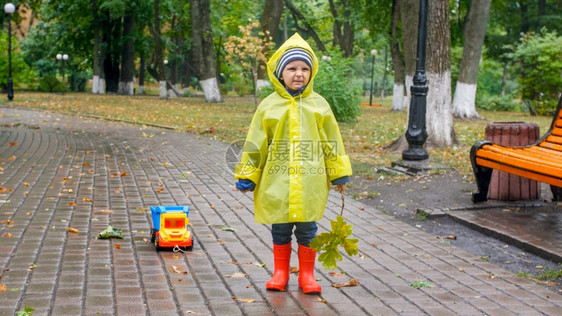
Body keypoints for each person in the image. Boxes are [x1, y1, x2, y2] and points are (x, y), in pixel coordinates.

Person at [234, 33, 352, 294]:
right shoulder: (268, 106)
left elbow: (332, 142)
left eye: (304, 69)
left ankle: (307, 276)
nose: (298, 74)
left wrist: (338, 174)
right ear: (280, 72)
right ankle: (280, 272)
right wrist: (248, 175)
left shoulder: (319, 105)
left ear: (311, 73)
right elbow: (256, 142)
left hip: (310, 180)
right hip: (277, 180)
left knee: (308, 228)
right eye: (292, 68)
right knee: (281, 226)